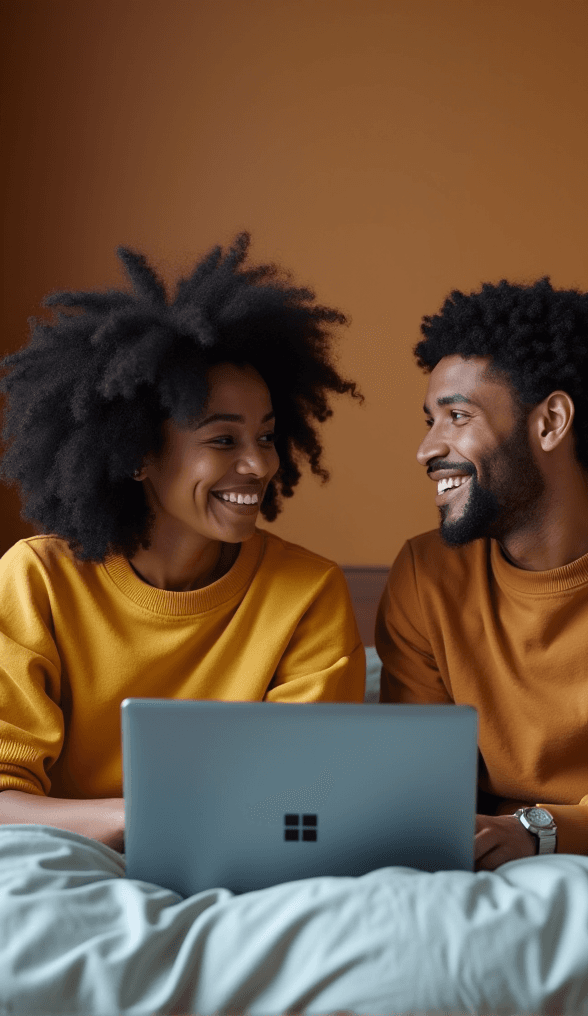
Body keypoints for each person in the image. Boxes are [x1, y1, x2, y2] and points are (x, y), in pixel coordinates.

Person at [0, 234, 365, 852]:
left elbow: (305, 806)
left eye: (268, 437)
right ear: (139, 454)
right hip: (67, 861)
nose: (258, 465)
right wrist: (135, 818)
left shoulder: (308, 593)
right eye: (223, 440)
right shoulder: (37, 580)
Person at [376, 277, 588, 871]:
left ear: (550, 422)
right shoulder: (425, 574)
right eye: (430, 420)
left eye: (457, 416)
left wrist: (541, 830)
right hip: (485, 848)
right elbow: (422, 793)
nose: (427, 449)